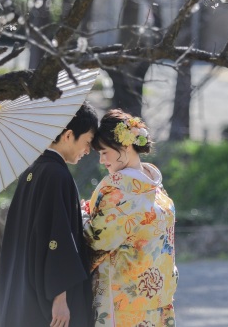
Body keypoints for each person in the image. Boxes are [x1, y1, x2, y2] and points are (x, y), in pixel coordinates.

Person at [0, 102, 99, 327]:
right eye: (87, 142)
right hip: (51, 302)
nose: (88, 151)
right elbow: (56, 238)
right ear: (68, 135)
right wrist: (60, 299)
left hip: (25, 290)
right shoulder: (56, 175)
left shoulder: (32, 170)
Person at [83, 109, 177, 327]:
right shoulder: (154, 185)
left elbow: (96, 242)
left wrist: (82, 216)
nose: (101, 160)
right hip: (158, 292)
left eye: (104, 152)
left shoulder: (118, 189)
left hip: (123, 299)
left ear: (125, 146)